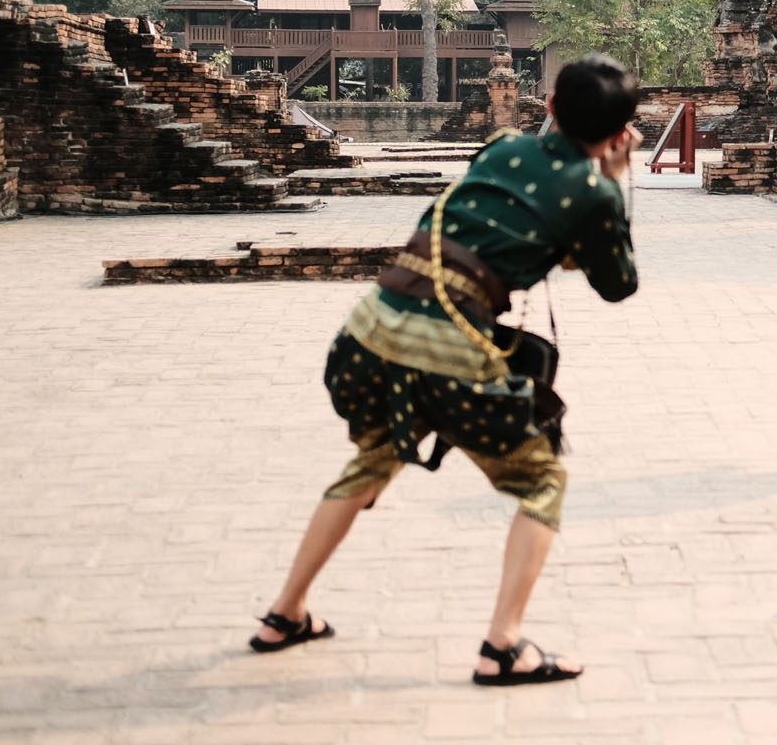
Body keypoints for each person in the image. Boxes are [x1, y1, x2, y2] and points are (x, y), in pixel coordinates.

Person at [246, 54, 643, 686]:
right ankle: (502, 645)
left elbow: (505, 223)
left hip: (373, 325)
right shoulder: (591, 192)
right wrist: (616, 180)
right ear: (624, 130)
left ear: (546, 107)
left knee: (371, 462)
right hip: (450, 347)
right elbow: (617, 284)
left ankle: (284, 613)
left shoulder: (503, 147)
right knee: (542, 483)